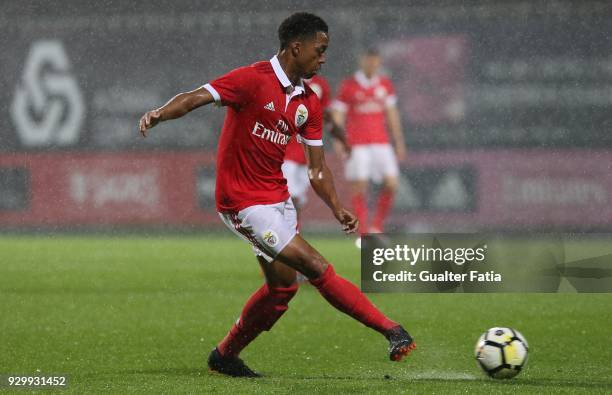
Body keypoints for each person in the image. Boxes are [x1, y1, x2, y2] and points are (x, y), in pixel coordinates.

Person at [139, 12, 414, 378]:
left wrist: (336, 206)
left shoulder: (309, 102)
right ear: (295, 47)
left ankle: (224, 356)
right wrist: (159, 114)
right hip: (242, 203)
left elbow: (317, 167)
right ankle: (392, 330)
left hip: (277, 200)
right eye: (320, 50)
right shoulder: (252, 80)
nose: (324, 58)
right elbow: (195, 97)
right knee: (315, 267)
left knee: (282, 290)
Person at [331, 48, 407, 247]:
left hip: (381, 142)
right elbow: (338, 113)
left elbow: (392, 113)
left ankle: (376, 227)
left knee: (391, 183)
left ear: (379, 62)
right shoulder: (349, 86)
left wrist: (398, 141)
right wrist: (338, 139)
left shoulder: (385, 85)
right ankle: (364, 233)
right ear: (362, 60)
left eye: (375, 61)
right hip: (357, 144)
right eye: (369, 61)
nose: (372, 64)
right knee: (360, 186)